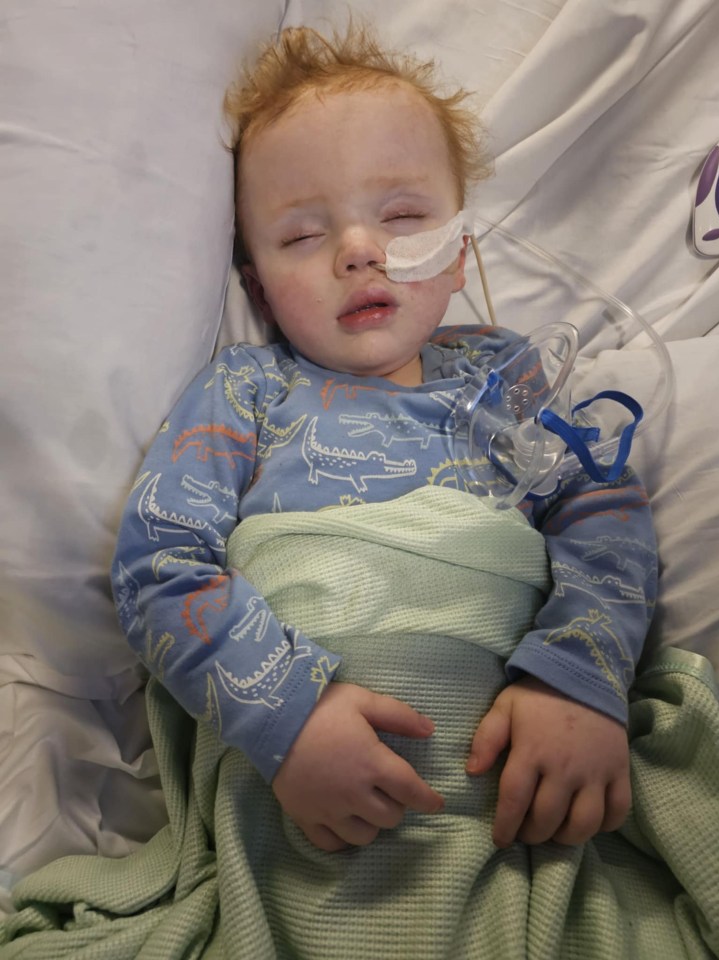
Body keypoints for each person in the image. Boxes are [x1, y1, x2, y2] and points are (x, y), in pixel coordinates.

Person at [111, 23, 656, 857]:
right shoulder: (246, 391)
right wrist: (288, 717)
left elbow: (605, 516)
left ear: (459, 249)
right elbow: (157, 568)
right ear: (256, 280)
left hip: (511, 765)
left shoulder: (507, 374)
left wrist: (579, 679)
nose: (361, 251)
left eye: (403, 217)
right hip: (306, 776)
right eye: (302, 236)